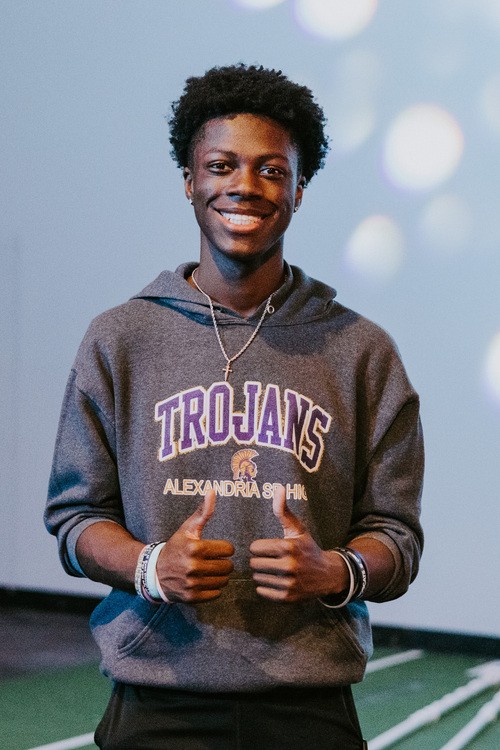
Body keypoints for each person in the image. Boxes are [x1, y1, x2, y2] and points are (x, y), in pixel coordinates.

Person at [45, 63, 424, 750]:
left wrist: (334, 571)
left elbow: (396, 536)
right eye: (221, 166)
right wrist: (149, 567)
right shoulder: (120, 338)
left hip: (309, 703)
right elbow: (75, 519)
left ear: (300, 188)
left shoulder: (362, 351)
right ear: (190, 182)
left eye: (271, 170)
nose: (244, 185)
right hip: (158, 696)